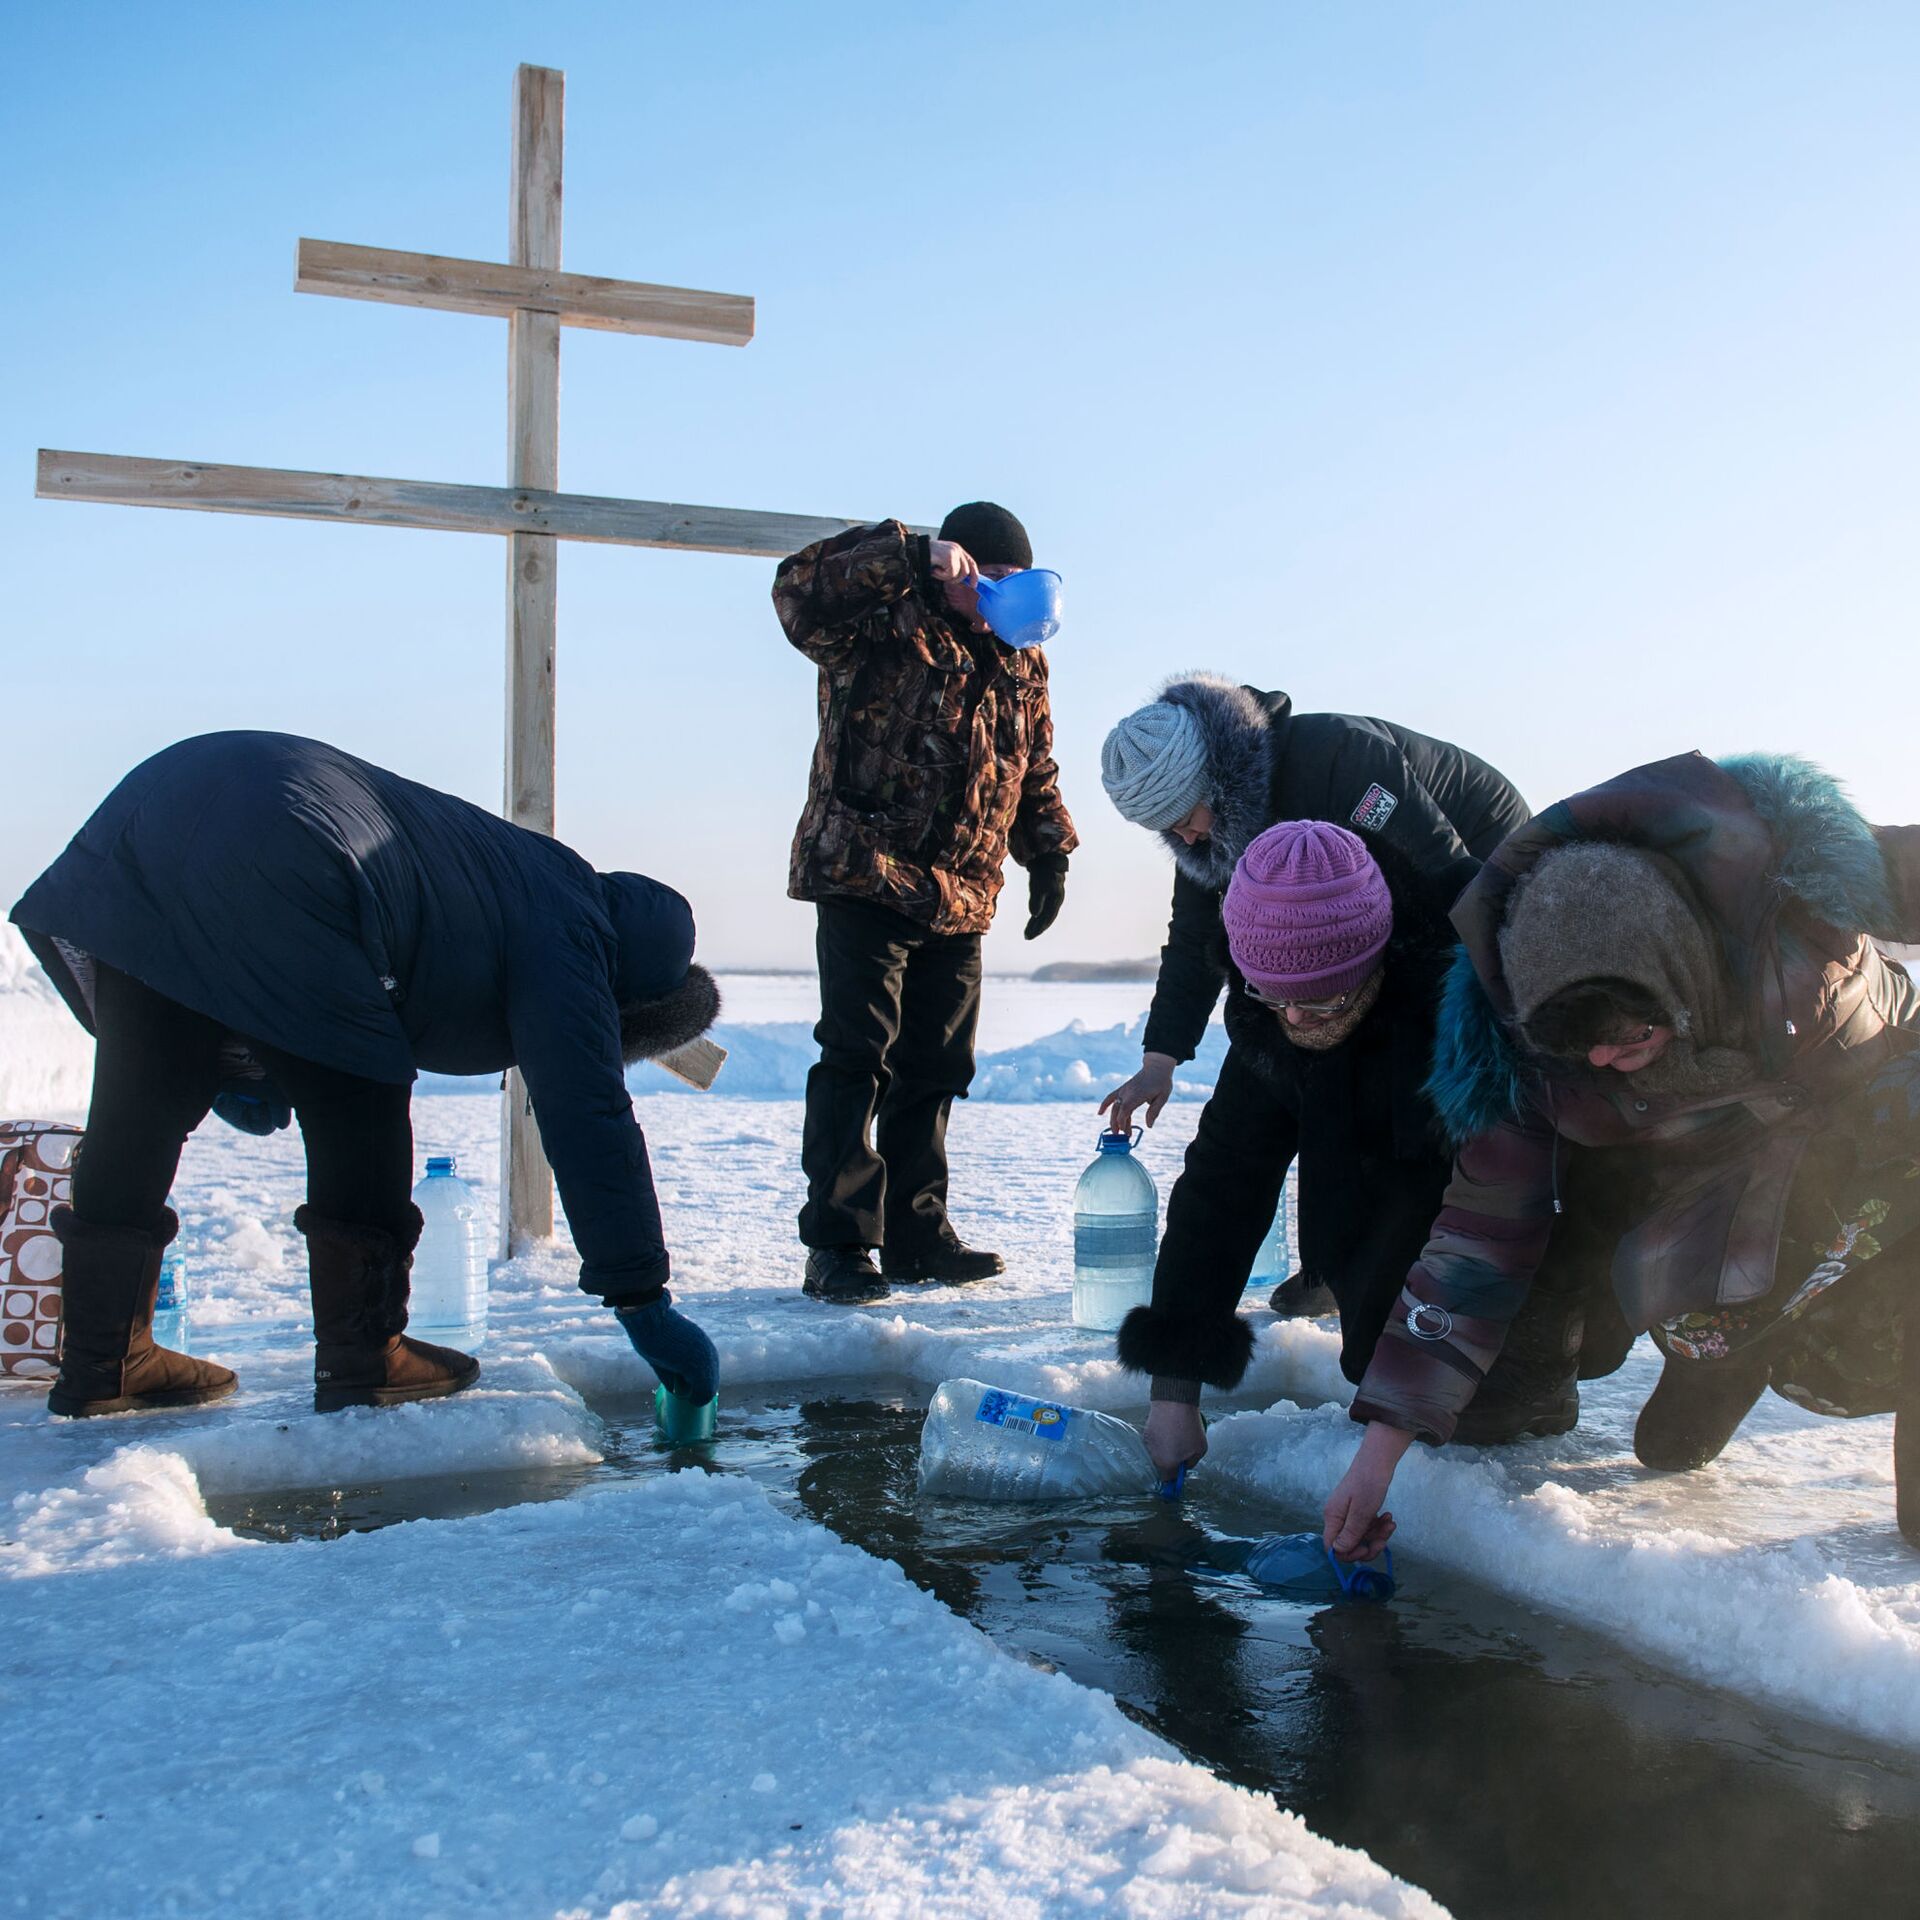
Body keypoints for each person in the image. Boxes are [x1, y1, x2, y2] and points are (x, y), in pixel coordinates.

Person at [12, 731, 723, 1419]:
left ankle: (105, 1363)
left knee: (143, 1097)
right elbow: (585, 1110)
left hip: (163, 799)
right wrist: (643, 1302)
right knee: (360, 1093)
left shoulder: (523, 871)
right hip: (288, 841)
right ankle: (365, 1354)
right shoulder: (575, 928)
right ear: (631, 990)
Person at [1318, 750, 1920, 1558]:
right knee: (1674, 1309)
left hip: (1874, 1110)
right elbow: (1474, 1249)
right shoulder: (1524, 1052)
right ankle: (1716, 1355)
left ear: (1676, 976)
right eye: (1578, 1048)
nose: (1602, 1062)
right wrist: (1379, 1452)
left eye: (1627, 1035)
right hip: (1723, 1162)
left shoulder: (1787, 893)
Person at [1120, 821, 1616, 1481]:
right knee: (1372, 1372)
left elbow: (1521, 1196)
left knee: (1485, 1410)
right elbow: (1222, 1185)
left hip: (1517, 1242)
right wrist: (1175, 1386)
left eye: (1322, 998)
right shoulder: (1270, 1017)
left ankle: (1545, 1367)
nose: (1296, 1021)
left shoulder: (1468, 994)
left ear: (1375, 957)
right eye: (1275, 997)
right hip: (1375, 1230)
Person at [1098, 673, 1531, 1313]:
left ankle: (1423, 1247)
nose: (1185, 840)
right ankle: (1333, 1262)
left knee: (1390, 1055)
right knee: (1302, 1065)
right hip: (1371, 889)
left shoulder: (1340, 760)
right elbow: (1194, 938)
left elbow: (1443, 880)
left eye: (1185, 820)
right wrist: (1160, 1058)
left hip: (1477, 859)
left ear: (1215, 782)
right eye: (1166, 831)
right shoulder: (1206, 832)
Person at [774, 502, 1077, 1304]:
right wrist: (910, 555)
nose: (1003, 595)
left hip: (962, 892)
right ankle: (840, 1244)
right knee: (856, 1056)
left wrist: (1047, 850)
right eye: (994, 577)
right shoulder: (881, 616)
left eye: (1018, 581)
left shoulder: (1020, 656)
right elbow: (798, 591)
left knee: (937, 1067)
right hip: (866, 869)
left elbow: (1033, 758)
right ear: (962, 565)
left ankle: (915, 1233)